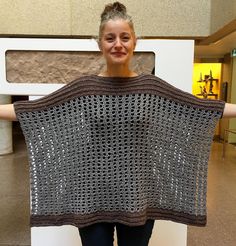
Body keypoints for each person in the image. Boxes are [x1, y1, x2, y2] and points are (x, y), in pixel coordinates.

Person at [0, 2, 236, 246]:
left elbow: (198, 108)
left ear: (135, 42)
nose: (118, 44)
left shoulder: (151, 88)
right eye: (110, 38)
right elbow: (36, 111)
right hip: (91, 194)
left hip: (137, 193)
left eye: (125, 37)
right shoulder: (85, 88)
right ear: (100, 43)